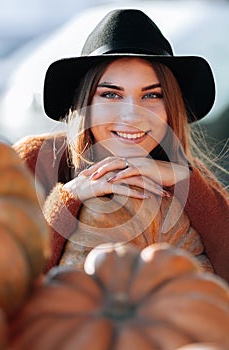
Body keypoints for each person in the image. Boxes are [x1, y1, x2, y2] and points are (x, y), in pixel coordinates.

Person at [13, 9, 229, 281]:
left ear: (170, 106)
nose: (132, 115)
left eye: (151, 95)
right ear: (86, 102)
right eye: (111, 94)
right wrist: (69, 199)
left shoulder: (191, 180)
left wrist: (186, 180)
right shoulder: (32, 162)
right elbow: (10, 286)